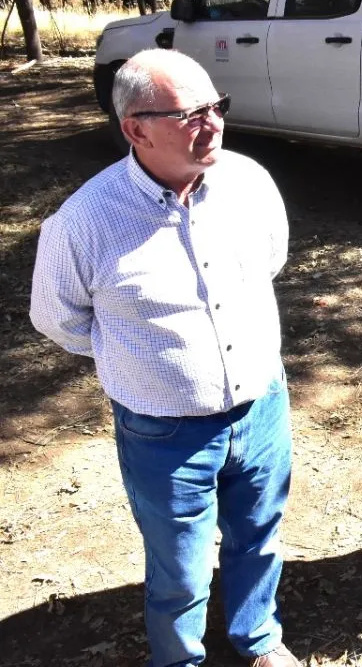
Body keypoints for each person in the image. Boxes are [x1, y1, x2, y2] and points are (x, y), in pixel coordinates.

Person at [29, 50, 298, 667]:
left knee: (259, 536)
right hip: (164, 431)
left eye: (216, 106)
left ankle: (258, 638)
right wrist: (143, 362)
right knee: (179, 568)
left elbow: (271, 261)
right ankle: (179, 660)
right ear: (136, 129)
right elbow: (57, 318)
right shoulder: (84, 222)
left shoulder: (250, 183)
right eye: (189, 114)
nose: (213, 123)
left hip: (262, 404)